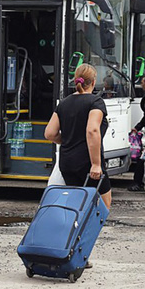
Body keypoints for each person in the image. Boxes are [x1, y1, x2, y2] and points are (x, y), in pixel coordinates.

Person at [44, 63, 112, 211]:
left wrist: (66, 141)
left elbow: (49, 133)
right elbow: (92, 130)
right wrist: (96, 164)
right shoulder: (95, 102)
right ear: (93, 82)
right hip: (87, 163)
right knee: (102, 208)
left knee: (76, 207)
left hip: (67, 162)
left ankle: (74, 234)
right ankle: (85, 234)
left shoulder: (64, 103)